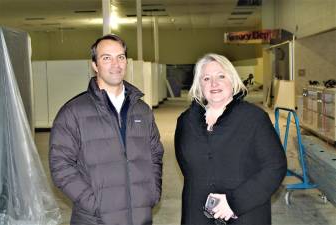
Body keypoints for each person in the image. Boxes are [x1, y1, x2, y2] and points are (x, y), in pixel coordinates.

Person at [49, 34, 164, 225]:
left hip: (139, 217)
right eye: (106, 58)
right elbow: (60, 165)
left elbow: (155, 154)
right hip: (95, 219)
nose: (115, 64)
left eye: (120, 57)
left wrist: (151, 192)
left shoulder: (142, 110)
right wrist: (95, 204)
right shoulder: (73, 112)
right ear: (94, 65)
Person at [174, 53, 287, 225]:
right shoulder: (185, 122)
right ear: (199, 85)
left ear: (232, 80)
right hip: (196, 213)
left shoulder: (254, 118)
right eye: (206, 78)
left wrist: (234, 202)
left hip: (245, 214)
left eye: (221, 76)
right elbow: (186, 167)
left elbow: (275, 167)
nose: (214, 83)